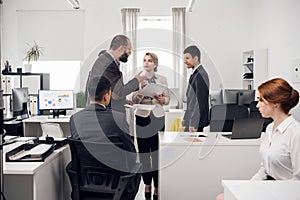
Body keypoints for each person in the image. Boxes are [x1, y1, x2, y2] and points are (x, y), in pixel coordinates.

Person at [216, 78, 300, 200]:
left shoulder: (295, 133)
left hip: (285, 193)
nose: (257, 105)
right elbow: (264, 169)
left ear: (275, 103)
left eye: (261, 100)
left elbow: (297, 181)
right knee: (222, 197)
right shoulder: (270, 129)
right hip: (268, 187)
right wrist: (248, 187)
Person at [70, 76, 137, 167]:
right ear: (106, 96)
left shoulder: (75, 118)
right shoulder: (118, 118)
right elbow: (130, 153)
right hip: (115, 175)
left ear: (89, 95)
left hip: (85, 175)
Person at [131, 52, 169, 200]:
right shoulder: (138, 78)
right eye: (145, 60)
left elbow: (167, 99)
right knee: (144, 154)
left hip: (158, 117)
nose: (146, 63)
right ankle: (147, 183)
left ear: (155, 64)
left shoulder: (162, 79)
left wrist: (161, 99)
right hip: (142, 117)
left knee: (157, 154)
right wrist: (141, 91)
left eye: (150, 60)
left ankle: (158, 186)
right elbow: (133, 99)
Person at [86, 34, 145, 113]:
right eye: (129, 50)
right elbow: (119, 92)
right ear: (121, 48)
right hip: (106, 115)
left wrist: (123, 101)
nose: (130, 53)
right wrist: (137, 80)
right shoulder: (108, 64)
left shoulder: (107, 61)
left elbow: (112, 92)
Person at [182, 45, 210, 132]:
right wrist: (186, 118)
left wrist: (194, 123)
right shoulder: (195, 75)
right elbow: (191, 101)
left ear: (196, 58)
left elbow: (199, 101)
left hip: (196, 123)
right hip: (192, 120)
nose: (185, 61)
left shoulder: (200, 75)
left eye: (187, 58)